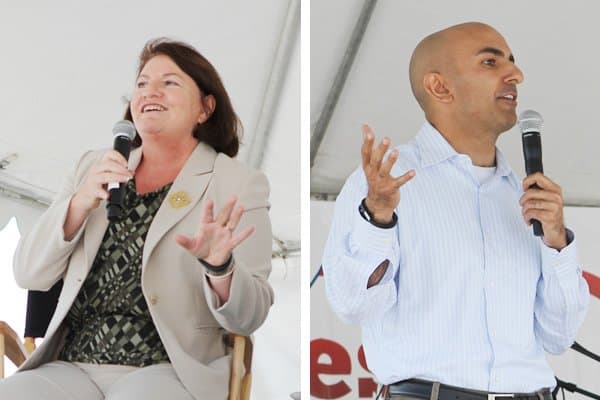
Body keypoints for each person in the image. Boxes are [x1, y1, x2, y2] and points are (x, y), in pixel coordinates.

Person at [322, 22, 589, 399]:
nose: (516, 74)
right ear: (439, 87)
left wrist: (557, 242)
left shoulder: (523, 195)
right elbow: (353, 306)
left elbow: (558, 335)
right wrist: (378, 219)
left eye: (511, 62)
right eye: (490, 62)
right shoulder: (386, 184)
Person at [1, 38, 273, 400]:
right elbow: (28, 273)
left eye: (169, 82)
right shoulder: (93, 166)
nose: (149, 92)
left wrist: (220, 267)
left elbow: (248, 317)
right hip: (71, 364)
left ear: (205, 108)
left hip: (170, 369)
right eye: (142, 83)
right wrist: (78, 204)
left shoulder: (237, 182)